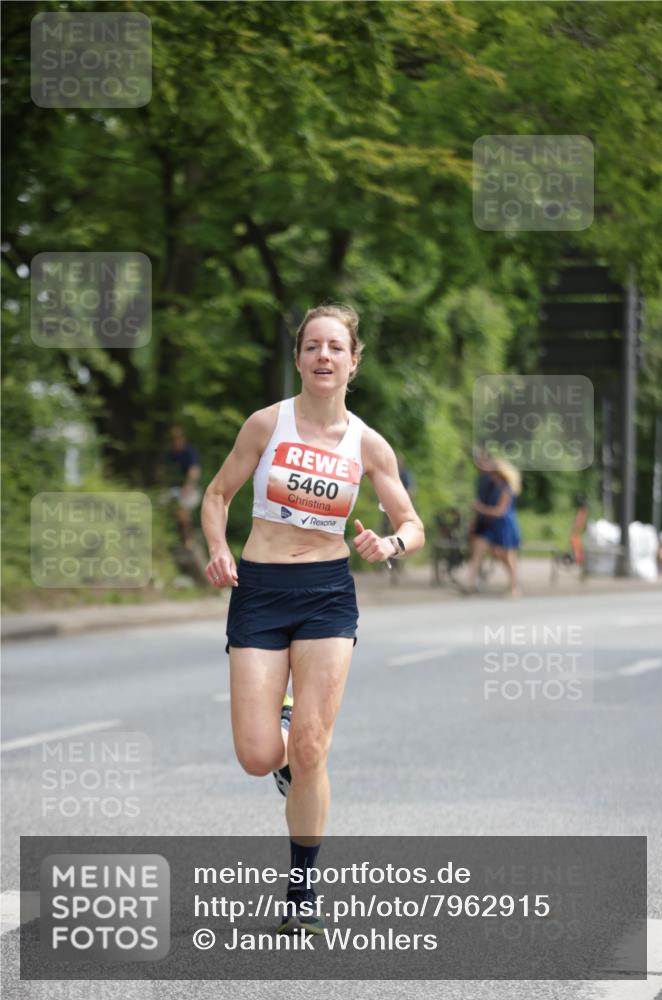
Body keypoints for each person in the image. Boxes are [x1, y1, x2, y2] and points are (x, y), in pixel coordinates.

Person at [200, 303, 424, 934]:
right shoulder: (265, 424)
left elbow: (412, 523)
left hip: (327, 594)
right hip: (260, 589)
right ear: (299, 359)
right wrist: (218, 548)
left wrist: (390, 544)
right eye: (312, 346)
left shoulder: (368, 444)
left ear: (353, 363)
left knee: (311, 747)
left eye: (335, 347)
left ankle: (302, 891)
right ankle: (287, 740)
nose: (323, 355)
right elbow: (216, 495)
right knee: (258, 754)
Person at [466, 456, 521, 597]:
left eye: (492, 472)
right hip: (489, 525)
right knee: (477, 551)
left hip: (504, 526)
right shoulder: (491, 487)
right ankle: (469, 584)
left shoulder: (505, 488)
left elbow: (500, 511)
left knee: (505, 556)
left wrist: (480, 509)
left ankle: (514, 586)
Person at [162, 425, 202, 547]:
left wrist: (188, 485)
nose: (175, 441)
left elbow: (194, 470)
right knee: (161, 505)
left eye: (177, 438)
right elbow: (162, 472)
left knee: (183, 511)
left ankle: (188, 538)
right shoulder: (168, 454)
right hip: (173, 490)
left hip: (190, 489)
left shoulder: (189, 452)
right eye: (173, 438)